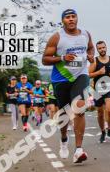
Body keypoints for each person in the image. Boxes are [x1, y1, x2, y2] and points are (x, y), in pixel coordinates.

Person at [41, 9, 95, 163]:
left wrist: (91, 55)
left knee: (79, 108)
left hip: (81, 75)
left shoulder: (85, 34)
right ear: (63, 20)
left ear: (77, 18)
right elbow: (45, 59)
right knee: (64, 115)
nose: (71, 19)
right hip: (61, 79)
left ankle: (79, 150)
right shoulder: (57, 37)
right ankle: (64, 139)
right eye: (67, 17)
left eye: (73, 16)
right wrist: (63, 58)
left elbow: (90, 47)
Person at [89, 40, 110, 143]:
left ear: (106, 47)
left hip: (109, 88)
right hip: (97, 90)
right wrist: (99, 72)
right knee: (100, 113)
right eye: (100, 48)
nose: (102, 49)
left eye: (103, 47)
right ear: (97, 50)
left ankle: (109, 130)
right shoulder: (95, 61)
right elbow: (89, 74)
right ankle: (103, 132)